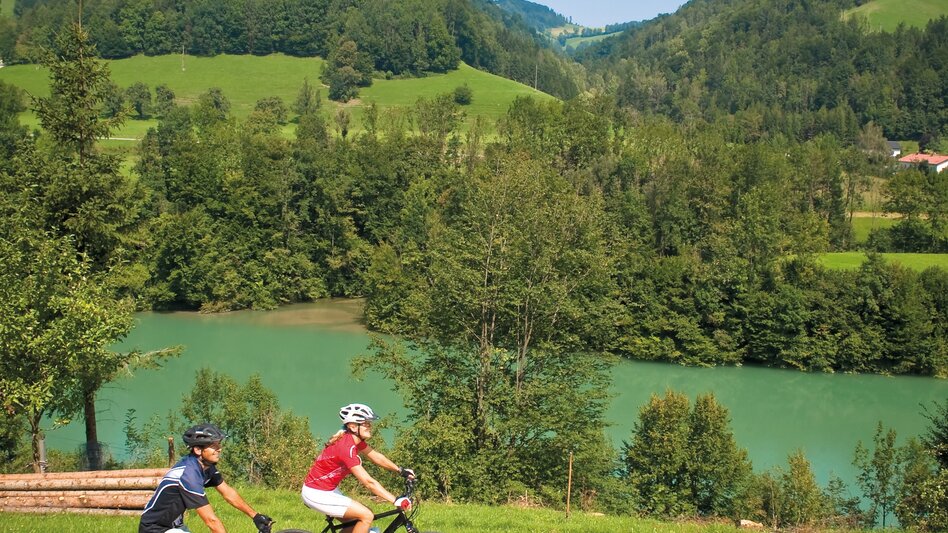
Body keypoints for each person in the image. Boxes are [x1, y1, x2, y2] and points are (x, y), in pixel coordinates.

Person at [139, 423, 274, 533]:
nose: (219, 449)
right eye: (214, 446)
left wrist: (255, 516)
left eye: (219, 445)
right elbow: (211, 521)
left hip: (174, 527)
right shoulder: (189, 475)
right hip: (155, 529)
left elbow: (228, 493)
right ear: (198, 450)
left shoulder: (206, 467)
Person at [301, 403, 415, 533]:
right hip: (317, 494)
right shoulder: (345, 448)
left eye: (369, 423)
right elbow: (369, 482)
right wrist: (395, 500)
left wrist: (400, 470)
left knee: (358, 520)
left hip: (327, 490)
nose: (370, 426)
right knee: (366, 516)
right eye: (366, 423)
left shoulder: (353, 440)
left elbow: (375, 456)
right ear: (353, 426)